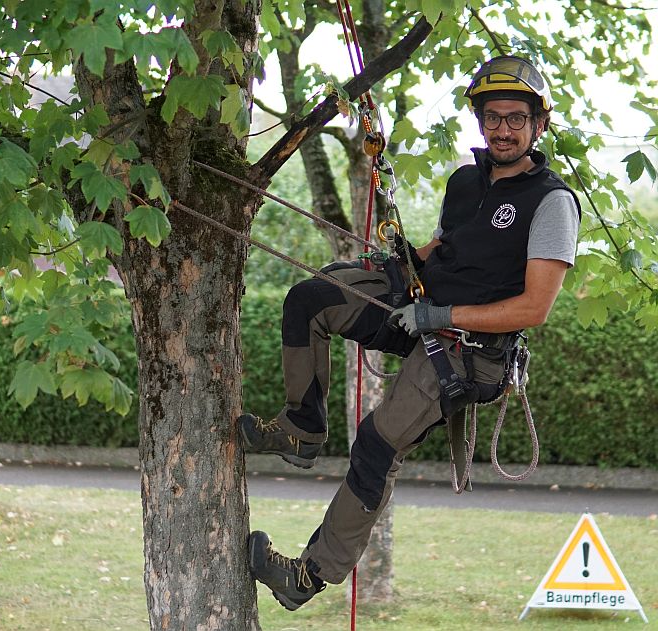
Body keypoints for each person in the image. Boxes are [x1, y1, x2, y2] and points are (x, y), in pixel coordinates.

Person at [238, 56, 582, 611]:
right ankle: (302, 428)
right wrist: (398, 265)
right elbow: (447, 248)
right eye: (493, 117)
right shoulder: (466, 181)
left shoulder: (552, 202)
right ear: (480, 121)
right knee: (314, 297)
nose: (503, 129)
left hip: (472, 352)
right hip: (425, 310)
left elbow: (533, 307)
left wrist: (442, 317)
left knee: (377, 443)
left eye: (517, 118)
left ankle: (306, 577)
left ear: (538, 125)